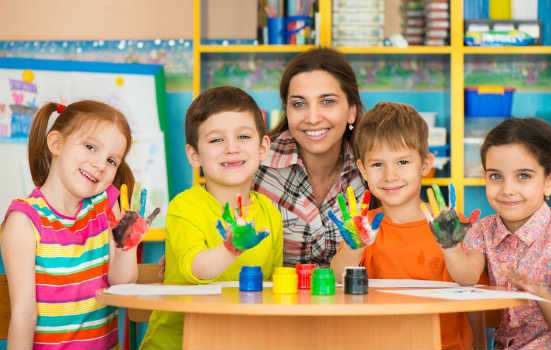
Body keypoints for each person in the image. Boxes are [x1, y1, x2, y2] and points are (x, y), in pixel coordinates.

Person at [140, 86, 283, 350]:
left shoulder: (270, 213)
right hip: (177, 343)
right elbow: (196, 270)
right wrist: (232, 248)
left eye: (243, 136)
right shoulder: (184, 207)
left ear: (263, 147)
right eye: (216, 140)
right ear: (194, 155)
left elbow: (271, 290)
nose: (231, 148)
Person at [330, 102, 477, 349]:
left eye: (402, 162)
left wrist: (450, 246)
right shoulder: (364, 227)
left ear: (425, 164)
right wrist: (355, 246)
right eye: (377, 164)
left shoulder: (449, 225)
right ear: (363, 170)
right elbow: (337, 278)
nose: (390, 175)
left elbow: (470, 283)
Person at [1, 100, 140, 349]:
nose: (100, 164)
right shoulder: (24, 221)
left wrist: (125, 248)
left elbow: (122, 285)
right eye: (90, 147)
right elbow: (24, 315)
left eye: (111, 161)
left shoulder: (106, 207)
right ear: (56, 143)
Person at [439, 117, 551, 349]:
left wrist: (540, 293)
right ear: (484, 176)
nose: (507, 190)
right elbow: (467, 278)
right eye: (496, 176)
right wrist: (451, 246)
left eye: (523, 176)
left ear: (549, 181)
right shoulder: (482, 230)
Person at [253, 47, 375, 267]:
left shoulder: (373, 167)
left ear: (351, 112)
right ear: (286, 111)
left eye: (327, 101)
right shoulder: (255, 164)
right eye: (299, 104)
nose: (313, 117)